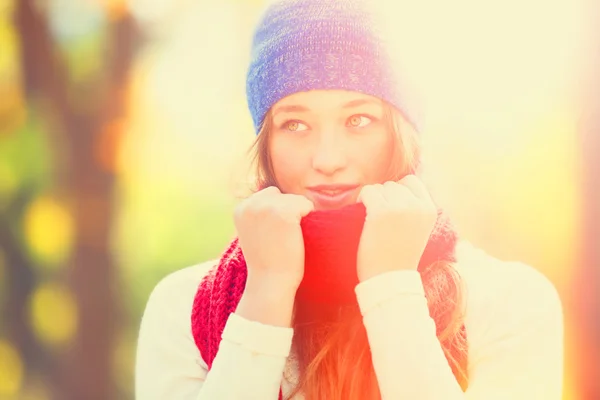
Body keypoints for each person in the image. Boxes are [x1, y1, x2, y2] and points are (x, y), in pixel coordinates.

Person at [134, 0, 564, 399]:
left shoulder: (507, 300)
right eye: (295, 125)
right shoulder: (183, 307)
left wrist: (390, 288)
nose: (327, 159)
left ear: (404, 133)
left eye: (359, 120)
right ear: (266, 142)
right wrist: (266, 293)